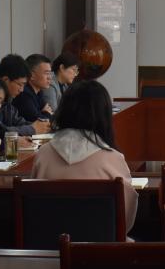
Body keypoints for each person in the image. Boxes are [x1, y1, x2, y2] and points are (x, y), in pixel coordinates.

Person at [32, 80, 138, 235]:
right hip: (100, 247)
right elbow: (125, 217)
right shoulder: (112, 158)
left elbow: (33, 208)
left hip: (49, 245)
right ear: (104, 116)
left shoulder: (43, 154)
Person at [0, 54, 51, 136]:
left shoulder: (8, 102)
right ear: (6, 80)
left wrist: (39, 125)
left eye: (23, 85)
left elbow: (18, 122)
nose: (21, 90)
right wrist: (32, 128)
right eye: (20, 84)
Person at [13, 54, 54, 122]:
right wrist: (46, 113)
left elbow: (51, 115)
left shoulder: (39, 92)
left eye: (50, 73)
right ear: (32, 75)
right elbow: (40, 122)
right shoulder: (24, 94)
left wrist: (44, 113)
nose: (49, 78)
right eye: (46, 73)